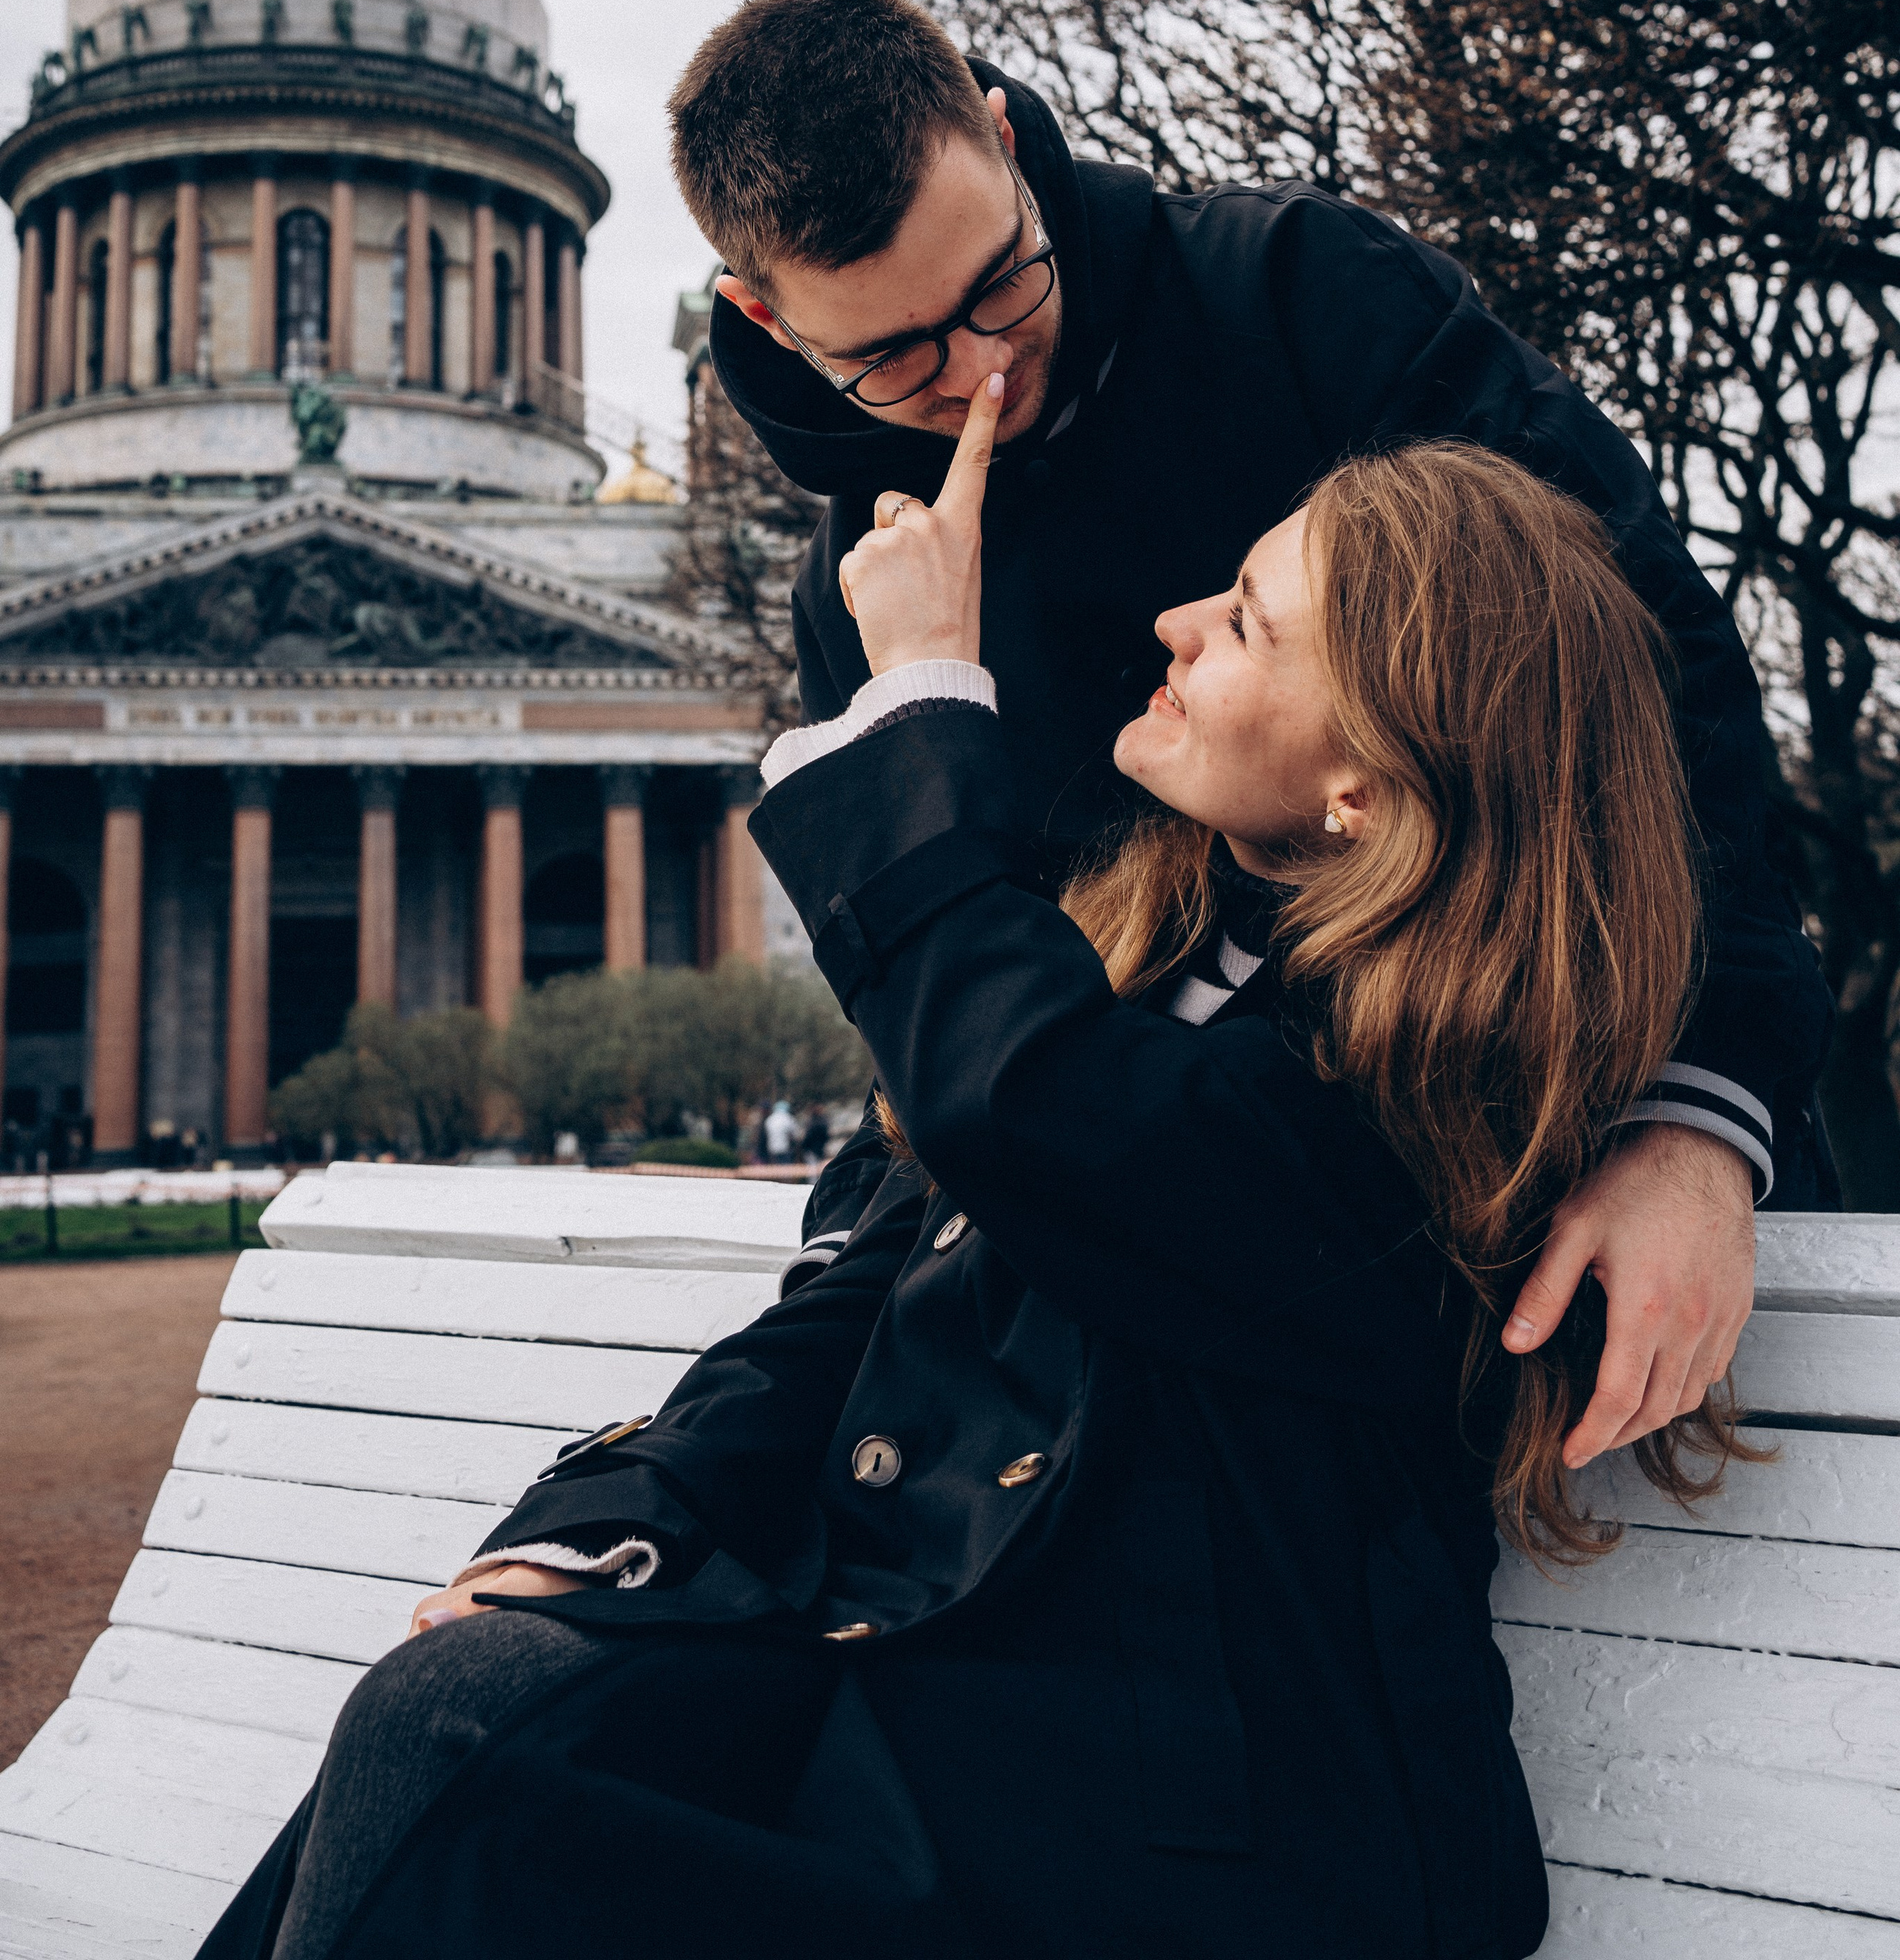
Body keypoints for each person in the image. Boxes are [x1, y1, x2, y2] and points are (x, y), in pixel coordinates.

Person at [199, 393, 1746, 1960]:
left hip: (1201, 1837)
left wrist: (926, 697)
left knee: (480, 1799)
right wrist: (605, 1526)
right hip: (941, 1696)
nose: (1175, 623)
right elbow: (859, 1296)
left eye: (1246, 624)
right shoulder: (1129, 949)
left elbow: (1062, 1128)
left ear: (1364, 778)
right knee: (455, 1711)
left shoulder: (1448, 1095)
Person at [669, 0, 1836, 1466]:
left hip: (1562, 1162)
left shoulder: (1304, 295)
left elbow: (1651, 689)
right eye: (894, 357)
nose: (981, 377)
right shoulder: (858, 606)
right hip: (1194, 1336)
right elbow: (960, 1040)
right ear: (765, 318)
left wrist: (1698, 1108)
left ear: (1007, 139)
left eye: (1001, 287)